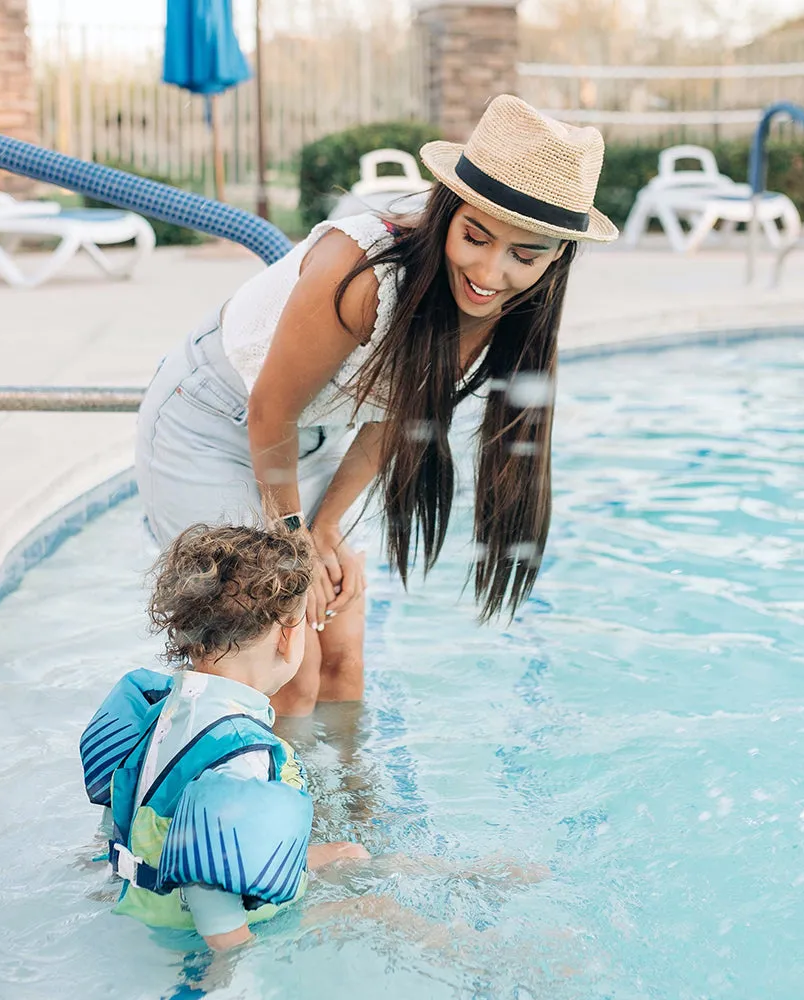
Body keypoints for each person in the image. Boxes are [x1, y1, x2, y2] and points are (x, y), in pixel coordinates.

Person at [134, 95, 620, 718]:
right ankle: (239, 802)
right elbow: (270, 410)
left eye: (524, 255)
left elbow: (397, 413)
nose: (490, 272)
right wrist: (293, 538)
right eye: (474, 236)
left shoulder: (501, 309)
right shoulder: (363, 271)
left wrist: (328, 523)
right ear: (448, 211)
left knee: (340, 661)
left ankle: (349, 815)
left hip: (314, 438)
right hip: (213, 423)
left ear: (557, 258)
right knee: (285, 670)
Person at [79, 524, 369, 951]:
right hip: (191, 924)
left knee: (348, 854)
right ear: (288, 635)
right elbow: (207, 888)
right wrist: (236, 957)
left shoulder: (165, 708)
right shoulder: (240, 752)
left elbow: (119, 815)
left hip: (148, 884)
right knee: (376, 910)